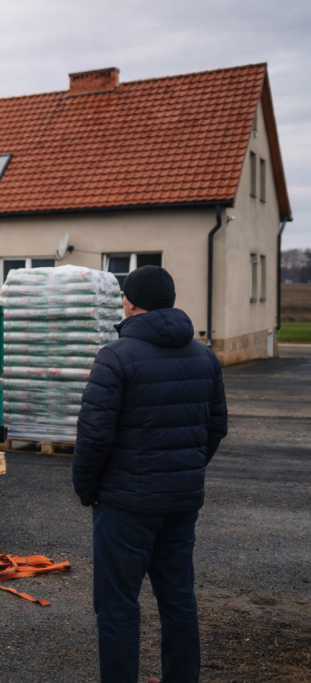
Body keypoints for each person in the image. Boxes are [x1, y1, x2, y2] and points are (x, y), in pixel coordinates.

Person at [73, 265, 228, 683]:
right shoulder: (204, 356)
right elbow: (216, 427)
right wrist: (184, 470)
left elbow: (93, 435)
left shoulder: (115, 356)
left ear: (130, 302)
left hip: (125, 505)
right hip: (180, 501)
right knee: (178, 599)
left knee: (118, 605)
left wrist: (89, 490)